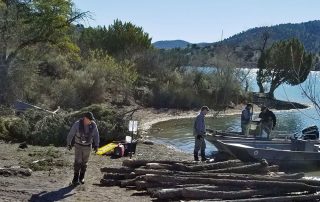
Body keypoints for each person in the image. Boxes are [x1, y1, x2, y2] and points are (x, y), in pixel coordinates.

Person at [67, 112, 100, 186]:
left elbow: (96, 135)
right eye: (89, 119)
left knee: (84, 162)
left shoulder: (93, 125)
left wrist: (97, 145)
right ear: (85, 118)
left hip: (88, 146)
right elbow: (71, 134)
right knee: (77, 161)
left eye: (91, 119)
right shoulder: (77, 124)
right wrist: (69, 143)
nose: (91, 121)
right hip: (78, 146)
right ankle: (75, 177)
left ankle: (82, 177)